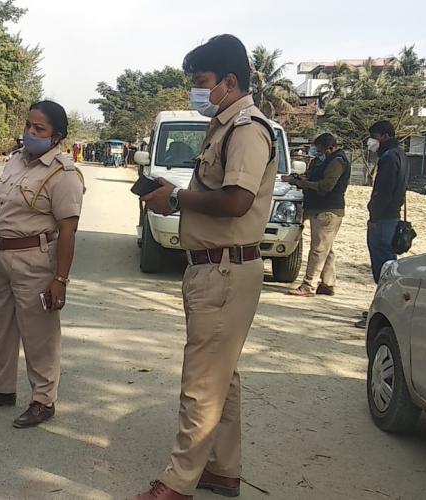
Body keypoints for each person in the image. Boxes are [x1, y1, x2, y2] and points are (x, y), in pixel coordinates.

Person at [131, 34, 278, 500]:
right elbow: (216, 194)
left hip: (224, 271)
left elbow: (237, 201)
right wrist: (177, 195)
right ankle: (222, 470)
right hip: (213, 268)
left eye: (202, 81)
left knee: (201, 383)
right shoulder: (223, 126)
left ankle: (177, 484)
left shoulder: (247, 130)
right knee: (221, 378)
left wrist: (176, 197)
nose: (197, 91)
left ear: (229, 82)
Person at [0, 100, 84, 428]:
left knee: (39, 334)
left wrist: (60, 279)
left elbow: (68, 230)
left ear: (56, 137)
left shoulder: (63, 174)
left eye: (39, 129)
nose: (30, 132)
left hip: (34, 260)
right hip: (0, 256)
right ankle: (2, 388)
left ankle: (43, 400)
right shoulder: (16, 161)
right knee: (1, 328)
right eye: (28, 125)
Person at [355, 120, 409, 328]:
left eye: (374, 137)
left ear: (384, 136)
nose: (371, 141)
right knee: (388, 266)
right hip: (392, 217)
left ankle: (382, 313)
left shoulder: (388, 158)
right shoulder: (401, 155)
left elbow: (383, 192)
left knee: (383, 269)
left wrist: (374, 216)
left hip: (383, 219)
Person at [283, 133, 351, 297]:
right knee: (326, 248)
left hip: (327, 210)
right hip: (317, 208)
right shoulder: (321, 161)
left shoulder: (337, 162)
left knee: (318, 250)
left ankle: (309, 285)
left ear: (330, 148)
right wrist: (299, 179)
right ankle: (327, 283)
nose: (317, 154)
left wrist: (303, 183)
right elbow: (314, 177)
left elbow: (326, 186)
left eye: (320, 151)